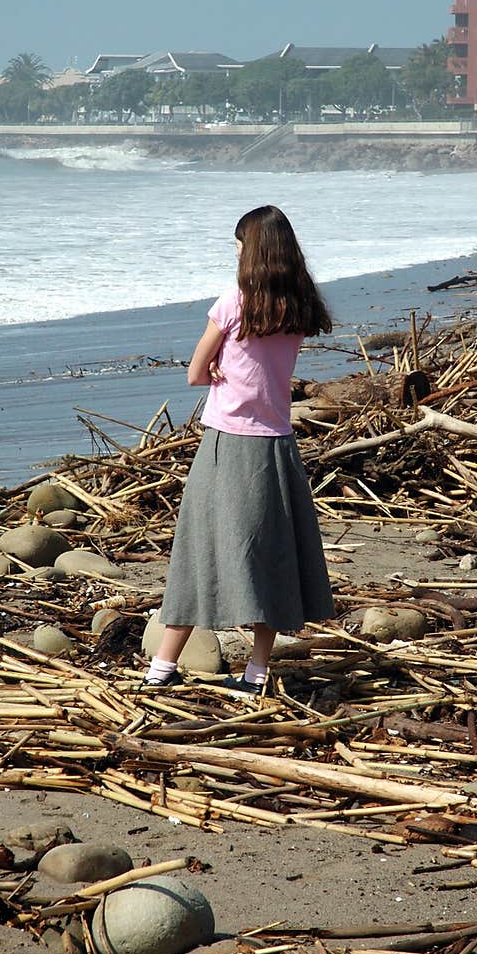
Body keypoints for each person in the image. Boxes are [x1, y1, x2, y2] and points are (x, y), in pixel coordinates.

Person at [144, 204, 336, 694]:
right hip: (277, 445)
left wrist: (215, 371)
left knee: (198, 553)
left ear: (249, 252)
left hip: (228, 445)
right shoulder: (300, 302)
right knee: (271, 558)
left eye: (237, 245)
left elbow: (193, 372)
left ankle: (161, 669)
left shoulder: (235, 300)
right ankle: (256, 672)